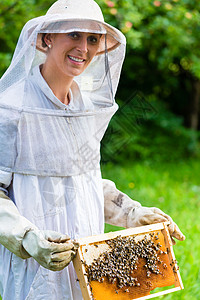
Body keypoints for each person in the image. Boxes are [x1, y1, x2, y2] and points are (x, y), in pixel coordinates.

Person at [0, 0, 185, 299]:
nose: (83, 48)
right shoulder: (9, 109)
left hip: (91, 263)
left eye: (93, 39)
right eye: (73, 34)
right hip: (36, 270)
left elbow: (82, 182)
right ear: (47, 38)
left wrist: (132, 212)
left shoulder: (84, 106)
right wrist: (27, 238)